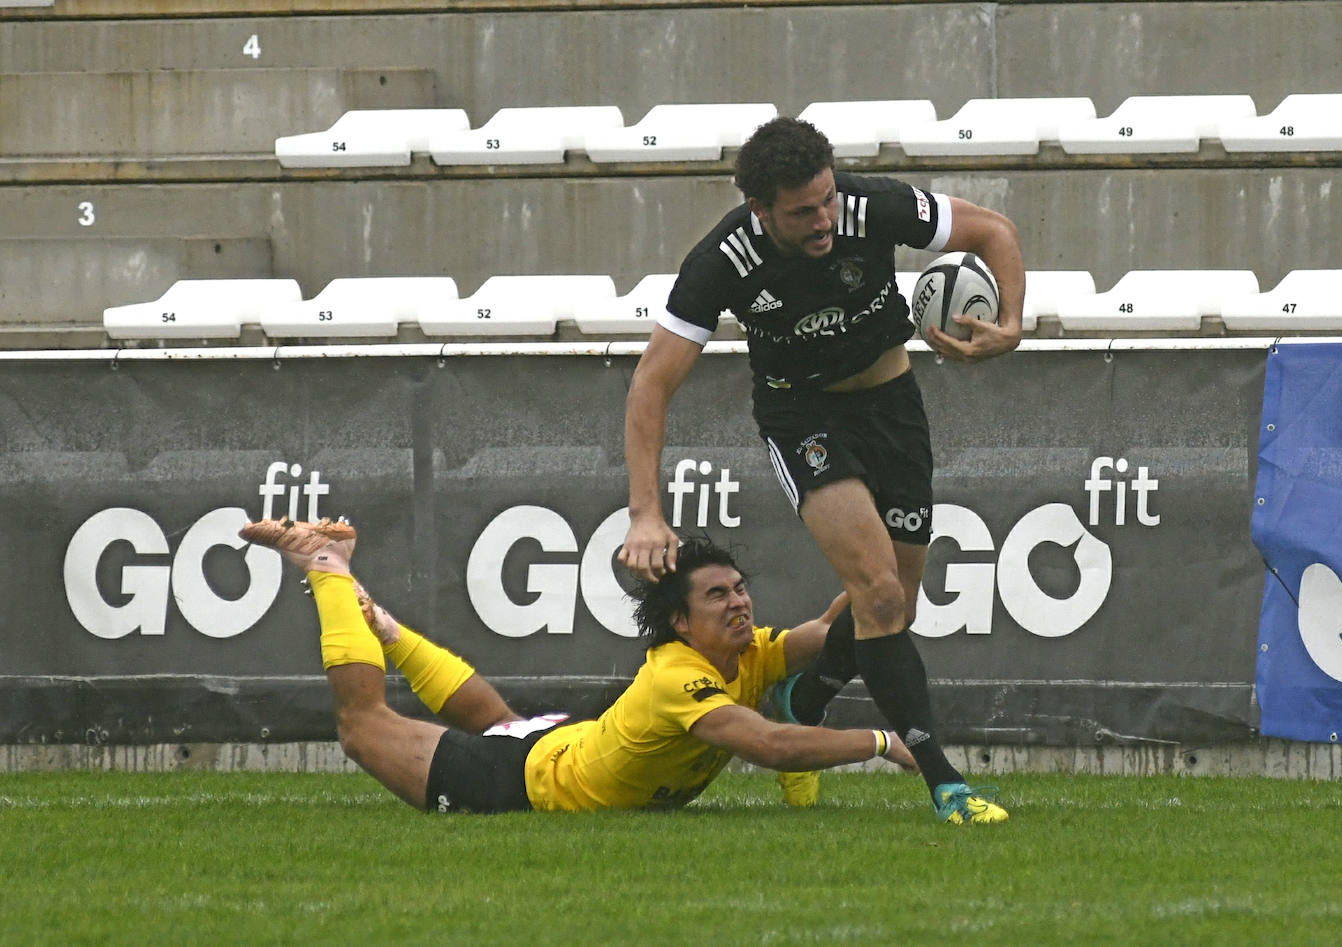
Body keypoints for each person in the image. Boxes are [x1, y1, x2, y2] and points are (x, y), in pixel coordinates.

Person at [619, 116, 1020, 824]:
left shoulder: (870, 206)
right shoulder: (725, 259)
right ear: (760, 211)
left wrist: (1011, 324)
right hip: (802, 417)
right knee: (880, 595)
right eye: (803, 211)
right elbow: (652, 382)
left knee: (895, 602)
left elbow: (993, 229)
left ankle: (806, 696)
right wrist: (645, 511)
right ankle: (945, 783)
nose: (825, 219)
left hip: (894, 408)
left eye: (827, 199)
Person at [238, 517, 920, 815]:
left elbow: (834, 629)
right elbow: (771, 744)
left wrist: (886, 568)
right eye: (718, 594)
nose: (739, 601)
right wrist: (881, 741)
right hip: (509, 785)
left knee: (496, 719)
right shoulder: (678, 677)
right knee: (362, 726)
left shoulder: (747, 649)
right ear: (681, 622)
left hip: (556, 744)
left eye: (740, 588)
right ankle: (327, 565)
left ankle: (383, 628)